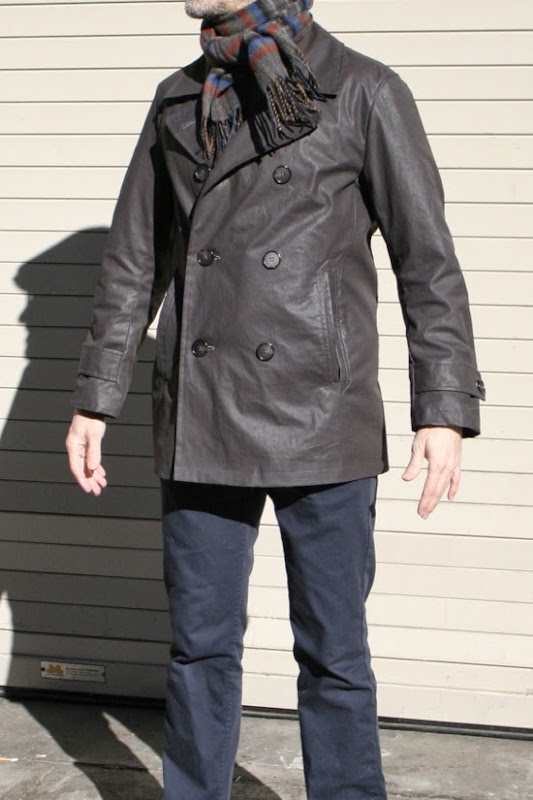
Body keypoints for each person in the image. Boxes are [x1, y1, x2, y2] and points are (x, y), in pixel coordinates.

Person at [66, 0, 485, 797]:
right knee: (198, 645)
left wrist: (442, 405)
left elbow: (426, 259)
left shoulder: (361, 90)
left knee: (333, 650)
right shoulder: (179, 96)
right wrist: (96, 399)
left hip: (323, 412)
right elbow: (133, 259)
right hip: (202, 409)